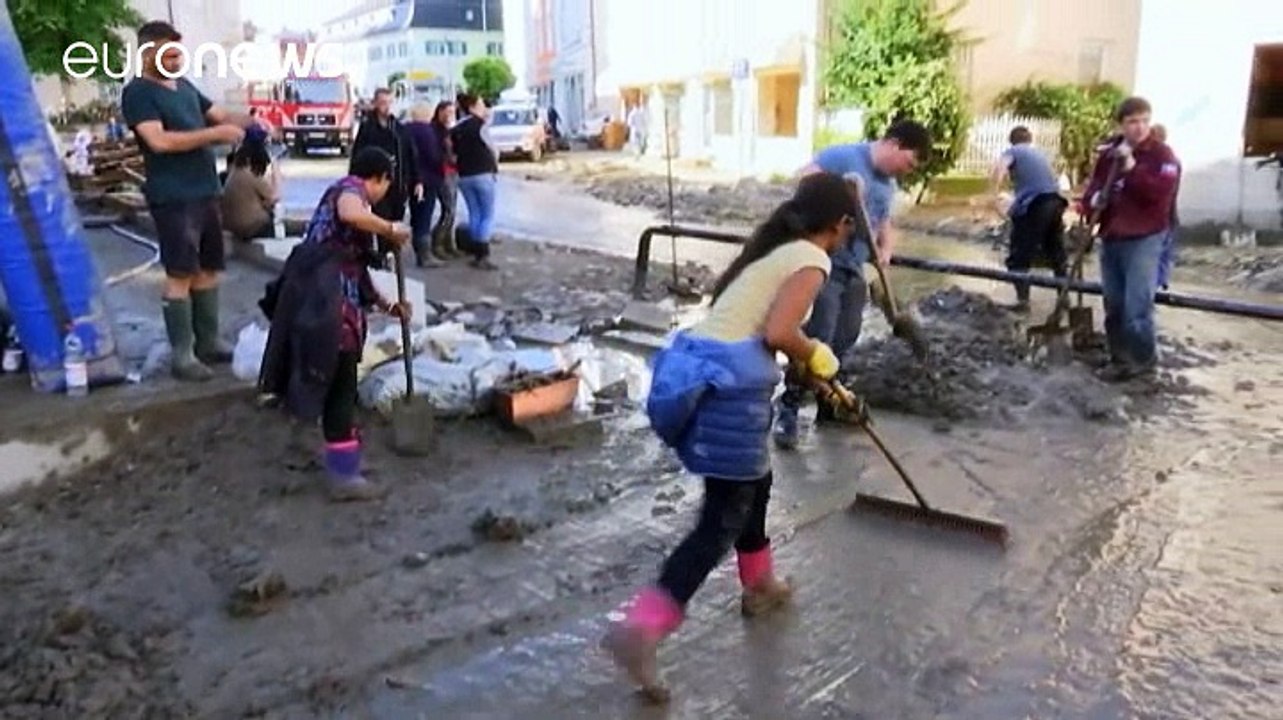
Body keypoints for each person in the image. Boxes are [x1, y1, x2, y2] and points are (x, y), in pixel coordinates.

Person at [601, 173, 860, 698]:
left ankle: (760, 583)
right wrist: (816, 354)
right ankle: (641, 630)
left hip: (708, 369)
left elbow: (763, 330)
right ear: (842, 224)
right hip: (729, 387)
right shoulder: (813, 260)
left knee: (753, 483)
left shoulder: (777, 251)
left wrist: (812, 373)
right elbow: (780, 333)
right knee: (721, 519)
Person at [257, 148, 412, 502]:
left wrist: (388, 306)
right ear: (380, 179)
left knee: (324, 381)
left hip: (323, 302)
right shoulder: (349, 191)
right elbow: (350, 212)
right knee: (340, 385)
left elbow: (356, 270)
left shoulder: (346, 222)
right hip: (326, 309)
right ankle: (343, 476)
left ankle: (325, 455)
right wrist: (389, 228)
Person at [773, 120, 932, 448]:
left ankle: (829, 403)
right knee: (820, 336)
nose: (907, 171)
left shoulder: (888, 185)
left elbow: (883, 222)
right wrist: (840, 193)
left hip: (855, 267)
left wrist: (885, 249)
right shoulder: (843, 157)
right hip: (825, 263)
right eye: (908, 162)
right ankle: (788, 407)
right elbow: (803, 183)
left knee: (847, 336)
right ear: (894, 144)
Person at [120, 19, 259, 382]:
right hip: (173, 196)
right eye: (169, 54)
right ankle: (183, 355)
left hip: (205, 191)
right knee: (180, 272)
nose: (176, 59)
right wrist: (214, 134)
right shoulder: (138, 93)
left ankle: (208, 342)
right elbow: (159, 141)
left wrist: (254, 122)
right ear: (147, 53)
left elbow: (222, 116)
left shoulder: (184, 86)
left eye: (178, 53)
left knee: (208, 269)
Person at [1078, 97, 1180, 382]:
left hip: (1145, 236)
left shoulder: (1162, 155)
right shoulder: (1109, 154)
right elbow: (1094, 189)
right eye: (1132, 122)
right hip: (1113, 234)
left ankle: (1144, 364)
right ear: (1121, 125)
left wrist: (1132, 168)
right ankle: (1120, 360)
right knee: (1114, 304)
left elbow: (1159, 194)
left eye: (1144, 121)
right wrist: (1093, 201)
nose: (1139, 127)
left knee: (1137, 306)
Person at [989, 125, 1069, 310]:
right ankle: (1064, 298)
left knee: (1018, 256)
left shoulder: (1013, 151)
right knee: (1056, 253)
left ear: (1012, 141)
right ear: (1030, 140)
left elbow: (1000, 169)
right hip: (1056, 202)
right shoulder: (1039, 154)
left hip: (1036, 205)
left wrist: (992, 195)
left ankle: (1023, 302)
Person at [352, 87, 422, 264]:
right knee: (381, 219)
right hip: (376, 184)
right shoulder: (368, 129)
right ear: (375, 104)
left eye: (390, 102)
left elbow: (411, 155)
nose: (387, 107)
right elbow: (357, 156)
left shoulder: (399, 129)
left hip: (399, 184)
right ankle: (384, 254)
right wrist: (354, 182)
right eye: (383, 103)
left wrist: (417, 181)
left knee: (397, 218)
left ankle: (393, 253)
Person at [405, 102, 458, 266]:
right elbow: (433, 156)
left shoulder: (405, 130)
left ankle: (420, 250)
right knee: (425, 215)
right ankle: (425, 255)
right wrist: (444, 162)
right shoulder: (427, 132)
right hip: (428, 178)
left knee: (416, 214)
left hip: (411, 178)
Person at [451, 93, 499, 270]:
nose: (484, 108)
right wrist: (495, 164)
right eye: (480, 105)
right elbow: (492, 148)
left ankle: (475, 251)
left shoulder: (456, 129)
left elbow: (453, 153)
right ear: (471, 108)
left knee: (474, 213)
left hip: (464, 175)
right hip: (483, 173)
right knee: (487, 214)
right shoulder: (480, 125)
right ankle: (483, 253)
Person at [220, 140, 280, 240]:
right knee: (270, 216)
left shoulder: (234, 173)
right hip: (249, 227)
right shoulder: (251, 174)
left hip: (230, 225)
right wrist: (276, 174)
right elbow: (274, 196)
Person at [1150, 123, 1181, 291]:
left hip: (1163, 214)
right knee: (1164, 250)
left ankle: (1158, 281)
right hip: (1167, 213)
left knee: (1159, 249)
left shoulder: (1166, 160)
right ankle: (1161, 280)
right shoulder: (1170, 159)